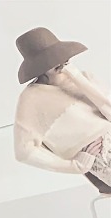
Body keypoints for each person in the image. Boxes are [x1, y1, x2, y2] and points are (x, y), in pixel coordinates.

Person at [13, 27, 111, 191]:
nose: (60, 62)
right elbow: (24, 151)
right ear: (38, 66)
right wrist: (74, 166)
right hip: (102, 159)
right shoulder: (31, 99)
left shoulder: (82, 76)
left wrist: (77, 78)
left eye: (60, 55)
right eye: (51, 59)